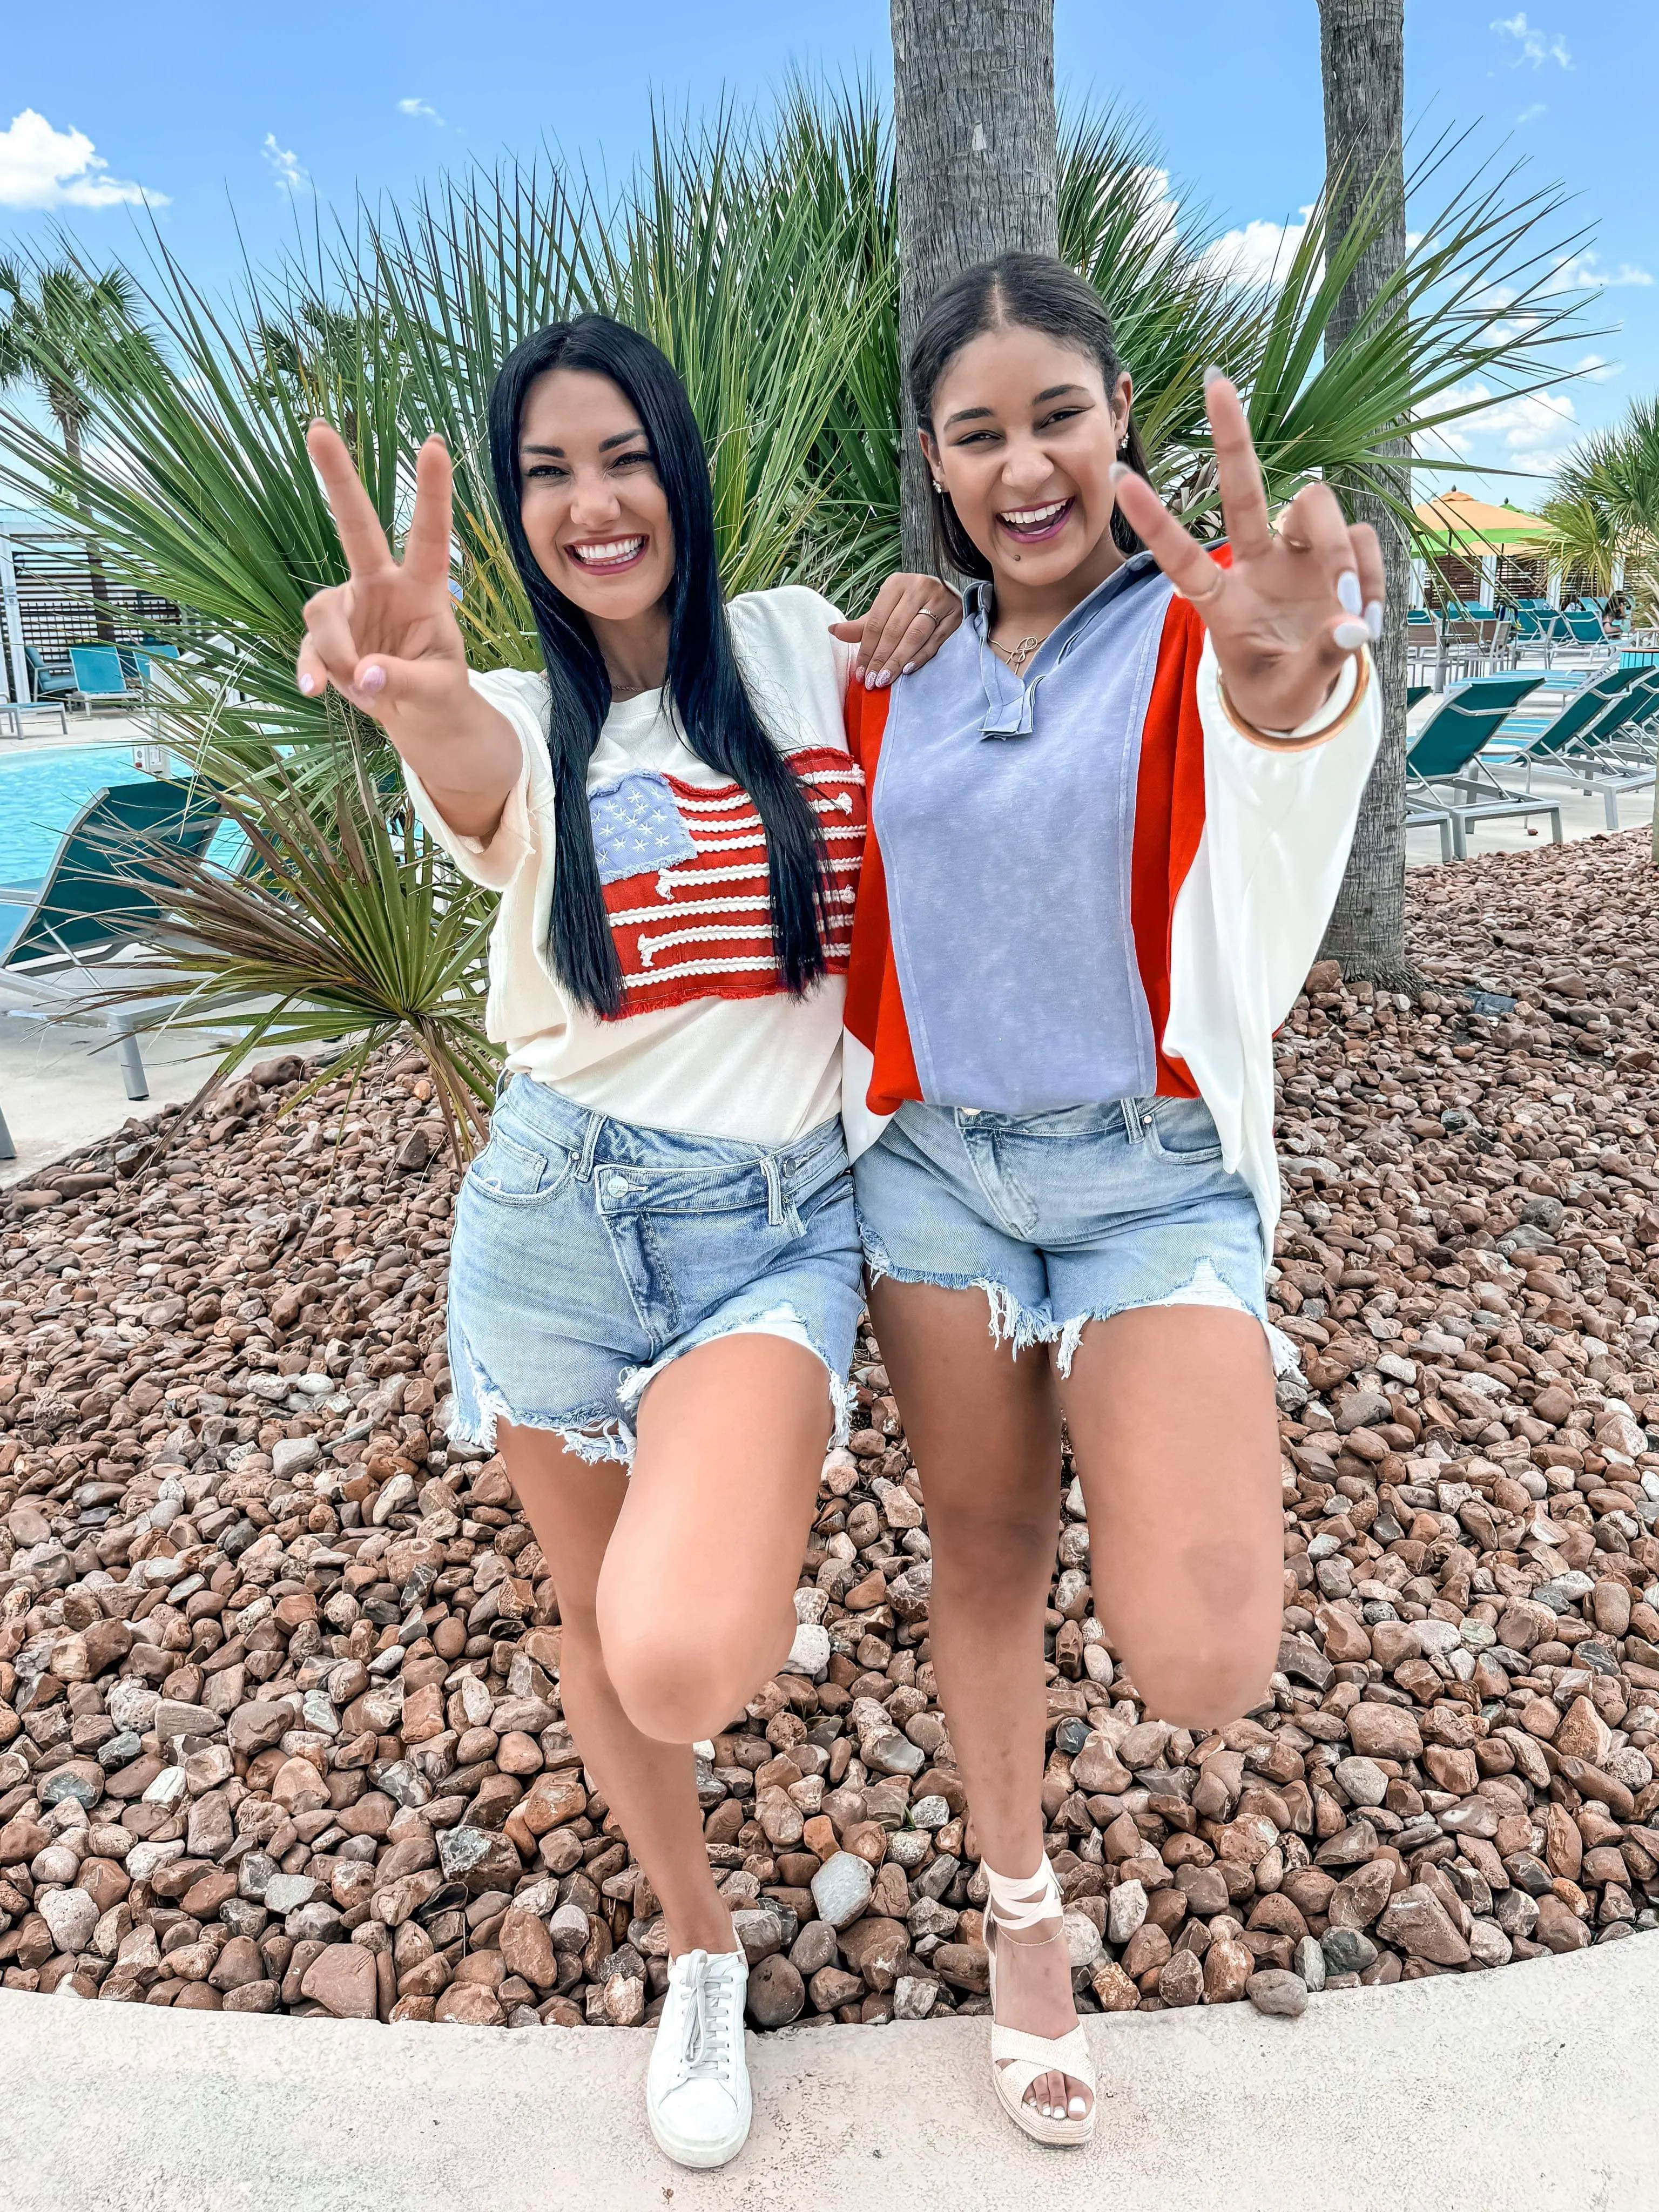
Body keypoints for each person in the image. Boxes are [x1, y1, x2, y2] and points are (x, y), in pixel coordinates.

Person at [294, 313, 959, 2169]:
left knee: (678, 1650)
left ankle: (723, 1545)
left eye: (623, 454)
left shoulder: (787, 648)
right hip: (555, 1220)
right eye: (545, 474)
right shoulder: (513, 712)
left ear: (681, 462)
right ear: (511, 518)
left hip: (774, 1231)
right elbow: (459, 749)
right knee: (600, 1625)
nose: (593, 502)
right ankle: (696, 1946)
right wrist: (408, 679)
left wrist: (937, 590)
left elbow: (1007, 675)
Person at [840, 253, 1384, 2146]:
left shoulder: (1192, 631)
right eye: (976, 434)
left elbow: (1285, 724)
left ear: (1122, 414)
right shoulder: (888, 657)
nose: (1024, 467)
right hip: (940, 1179)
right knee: (984, 1553)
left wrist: (1292, 661)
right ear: (935, 459)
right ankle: (1021, 1920)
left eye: (1056, 416)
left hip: (1149, 1177)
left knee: (1209, 1647)